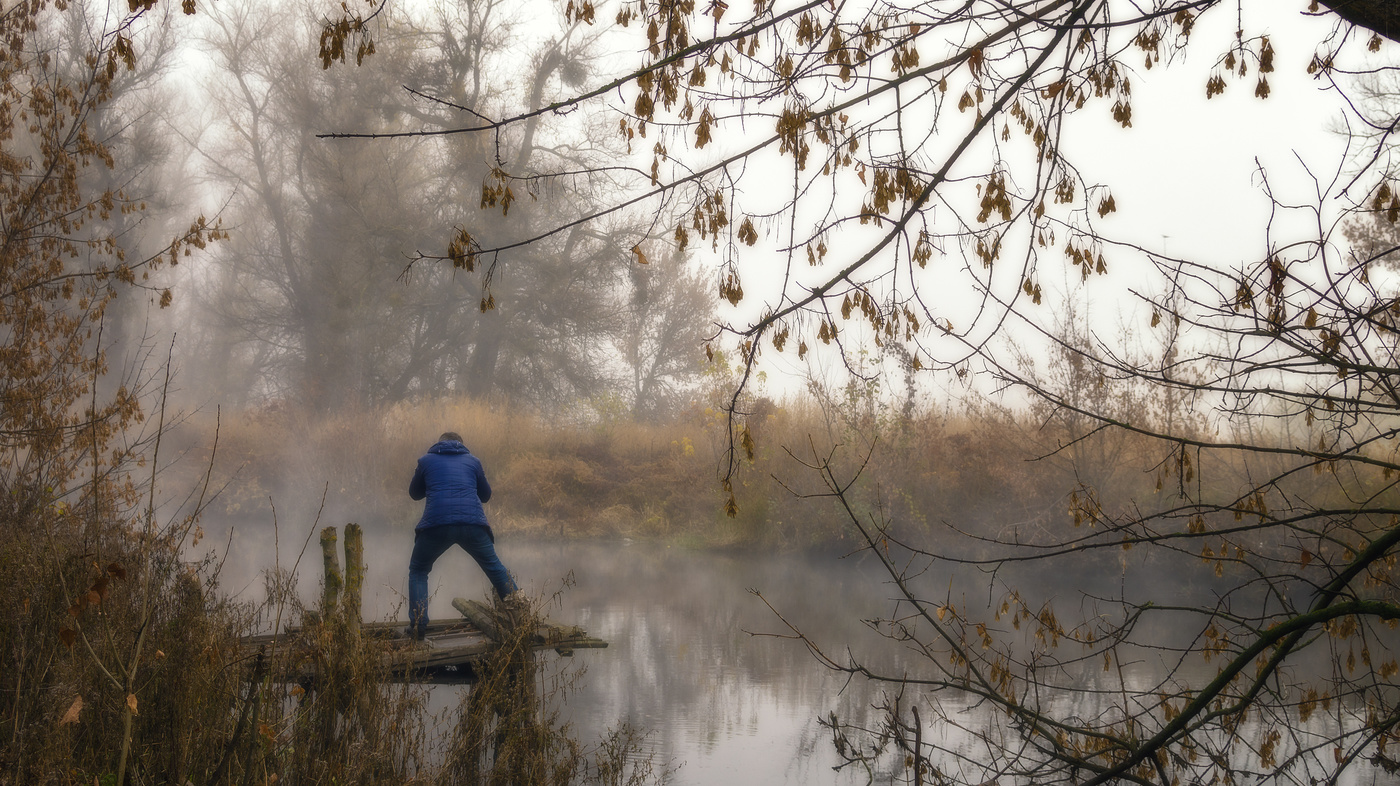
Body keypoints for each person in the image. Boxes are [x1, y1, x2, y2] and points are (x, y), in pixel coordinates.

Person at [406, 431, 521, 640]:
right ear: (461, 444)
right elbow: (486, 496)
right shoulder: (473, 462)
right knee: (495, 568)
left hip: (436, 524)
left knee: (418, 570)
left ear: (438, 443)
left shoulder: (425, 461)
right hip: (472, 525)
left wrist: (432, 484)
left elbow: (415, 494)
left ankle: (418, 627)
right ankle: (522, 617)